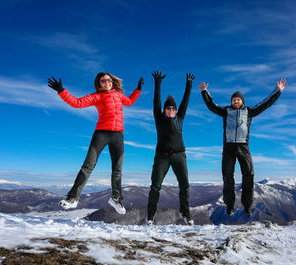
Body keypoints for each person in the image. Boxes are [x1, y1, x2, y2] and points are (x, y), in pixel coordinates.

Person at [47, 73, 143, 214]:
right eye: (103, 80)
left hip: (118, 135)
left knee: (117, 169)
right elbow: (77, 103)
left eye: (109, 79)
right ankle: (72, 198)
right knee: (88, 166)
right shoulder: (96, 97)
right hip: (101, 134)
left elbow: (129, 102)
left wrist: (138, 89)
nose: (107, 82)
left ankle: (116, 199)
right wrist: (62, 91)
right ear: (99, 83)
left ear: (112, 81)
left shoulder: (118, 95)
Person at [199, 78, 287, 217]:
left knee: (249, 175)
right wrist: (204, 92)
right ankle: (230, 206)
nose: (235, 101)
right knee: (228, 177)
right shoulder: (226, 111)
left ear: (242, 101)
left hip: (243, 146)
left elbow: (266, 104)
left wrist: (278, 91)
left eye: (238, 99)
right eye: (233, 99)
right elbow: (212, 106)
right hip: (228, 147)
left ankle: (247, 206)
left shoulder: (249, 111)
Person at [147, 71, 195, 225]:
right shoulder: (159, 118)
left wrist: (189, 84)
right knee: (155, 186)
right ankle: (150, 216)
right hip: (162, 155)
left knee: (184, 185)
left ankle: (185, 213)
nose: (171, 111)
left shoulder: (179, 118)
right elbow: (156, 102)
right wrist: (158, 83)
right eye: (169, 108)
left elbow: (185, 101)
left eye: (173, 109)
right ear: (165, 110)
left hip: (179, 155)